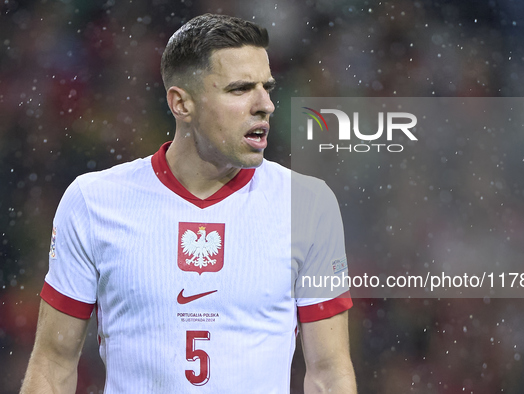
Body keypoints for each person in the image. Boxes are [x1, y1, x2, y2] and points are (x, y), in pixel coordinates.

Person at [20, 14, 356, 393]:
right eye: (240, 89)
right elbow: (52, 366)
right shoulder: (93, 202)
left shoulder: (309, 205)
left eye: (267, 87)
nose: (265, 105)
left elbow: (328, 374)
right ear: (182, 104)